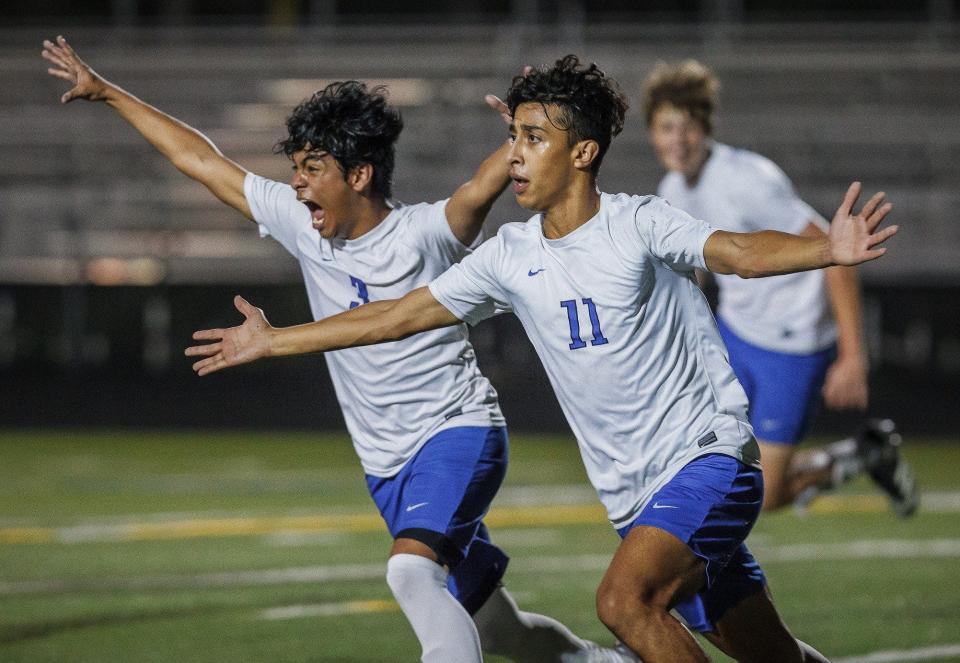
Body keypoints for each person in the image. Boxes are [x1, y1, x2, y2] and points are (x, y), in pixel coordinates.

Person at [184, 55, 900, 662]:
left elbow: (738, 252)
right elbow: (396, 315)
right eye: (513, 137)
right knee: (775, 653)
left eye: (532, 138)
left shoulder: (638, 223)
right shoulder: (510, 257)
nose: (515, 155)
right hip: (637, 497)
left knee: (624, 602)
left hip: (707, 461)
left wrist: (825, 249)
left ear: (581, 152)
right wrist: (278, 339)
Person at [42, 37, 637, 663]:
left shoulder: (427, 233)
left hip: (454, 436)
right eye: (296, 168)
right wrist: (107, 92)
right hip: (385, 467)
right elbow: (202, 161)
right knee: (493, 627)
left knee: (410, 577)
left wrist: (522, 136)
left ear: (359, 174)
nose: (296, 185)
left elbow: (484, 187)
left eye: (311, 168)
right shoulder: (303, 224)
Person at [641, 59, 917, 517]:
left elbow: (836, 255)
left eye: (687, 128)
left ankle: (862, 456)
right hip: (735, 332)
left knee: (765, 495)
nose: (677, 140)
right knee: (695, 458)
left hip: (792, 345)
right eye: (666, 128)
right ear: (651, 132)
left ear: (706, 129)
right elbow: (697, 270)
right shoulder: (672, 187)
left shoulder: (749, 179)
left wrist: (852, 355)